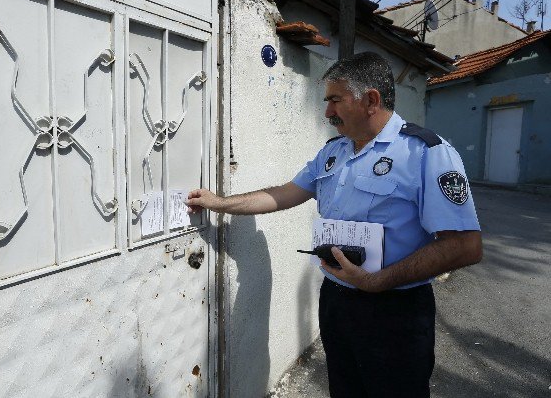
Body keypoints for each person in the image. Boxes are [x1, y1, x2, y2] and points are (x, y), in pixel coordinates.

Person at [186, 51, 482, 398]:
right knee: (345, 389)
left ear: (371, 100)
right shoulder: (333, 152)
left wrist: (377, 282)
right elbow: (284, 193)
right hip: (337, 301)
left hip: (395, 312)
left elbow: (464, 244)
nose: (327, 112)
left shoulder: (426, 153)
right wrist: (218, 203)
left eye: (335, 100)